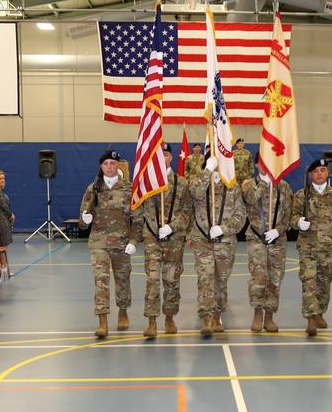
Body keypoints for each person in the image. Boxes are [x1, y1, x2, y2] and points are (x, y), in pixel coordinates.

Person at [135, 143, 190, 337]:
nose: (162, 158)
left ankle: (169, 317)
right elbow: (139, 210)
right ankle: (151, 321)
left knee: (172, 279)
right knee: (152, 279)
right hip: (152, 237)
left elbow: (186, 212)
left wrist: (171, 227)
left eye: (165, 154)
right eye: (159, 155)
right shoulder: (146, 183)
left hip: (174, 238)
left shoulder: (182, 183)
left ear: (171, 157)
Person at [80, 150, 137, 338]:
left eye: (113, 163)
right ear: (101, 166)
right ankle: (102, 320)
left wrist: (134, 240)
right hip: (99, 243)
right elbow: (82, 220)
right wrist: (85, 221)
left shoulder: (129, 189)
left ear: (118, 165)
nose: (109, 167)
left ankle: (123, 312)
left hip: (122, 242)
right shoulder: (92, 189)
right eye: (106, 164)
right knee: (101, 282)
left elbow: (137, 218)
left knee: (123, 280)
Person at [292, 158, 332, 336]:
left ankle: (320, 313)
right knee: (309, 281)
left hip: (327, 248)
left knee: (324, 283)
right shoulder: (302, 195)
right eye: (316, 171)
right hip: (307, 247)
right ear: (310, 174)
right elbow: (292, 217)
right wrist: (298, 222)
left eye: (323, 170)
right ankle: (310, 319)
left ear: (327, 173)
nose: (319, 174)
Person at [189, 158, 246, 335]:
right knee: (205, 278)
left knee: (221, 280)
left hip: (225, 241)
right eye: (214, 164)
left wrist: (224, 229)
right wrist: (207, 172)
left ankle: (217, 314)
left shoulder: (233, 187)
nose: (217, 167)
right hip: (202, 240)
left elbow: (241, 215)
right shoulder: (197, 183)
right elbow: (196, 194)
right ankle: (206, 317)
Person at [243, 153, 293, 332]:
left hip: (278, 239)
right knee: (259, 277)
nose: (267, 165)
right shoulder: (249, 185)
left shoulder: (284, 186)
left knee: (275, 278)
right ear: (257, 165)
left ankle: (269, 315)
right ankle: (257, 313)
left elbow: (288, 213)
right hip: (256, 238)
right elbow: (249, 200)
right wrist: (265, 182)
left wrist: (278, 230)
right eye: (263, 162)